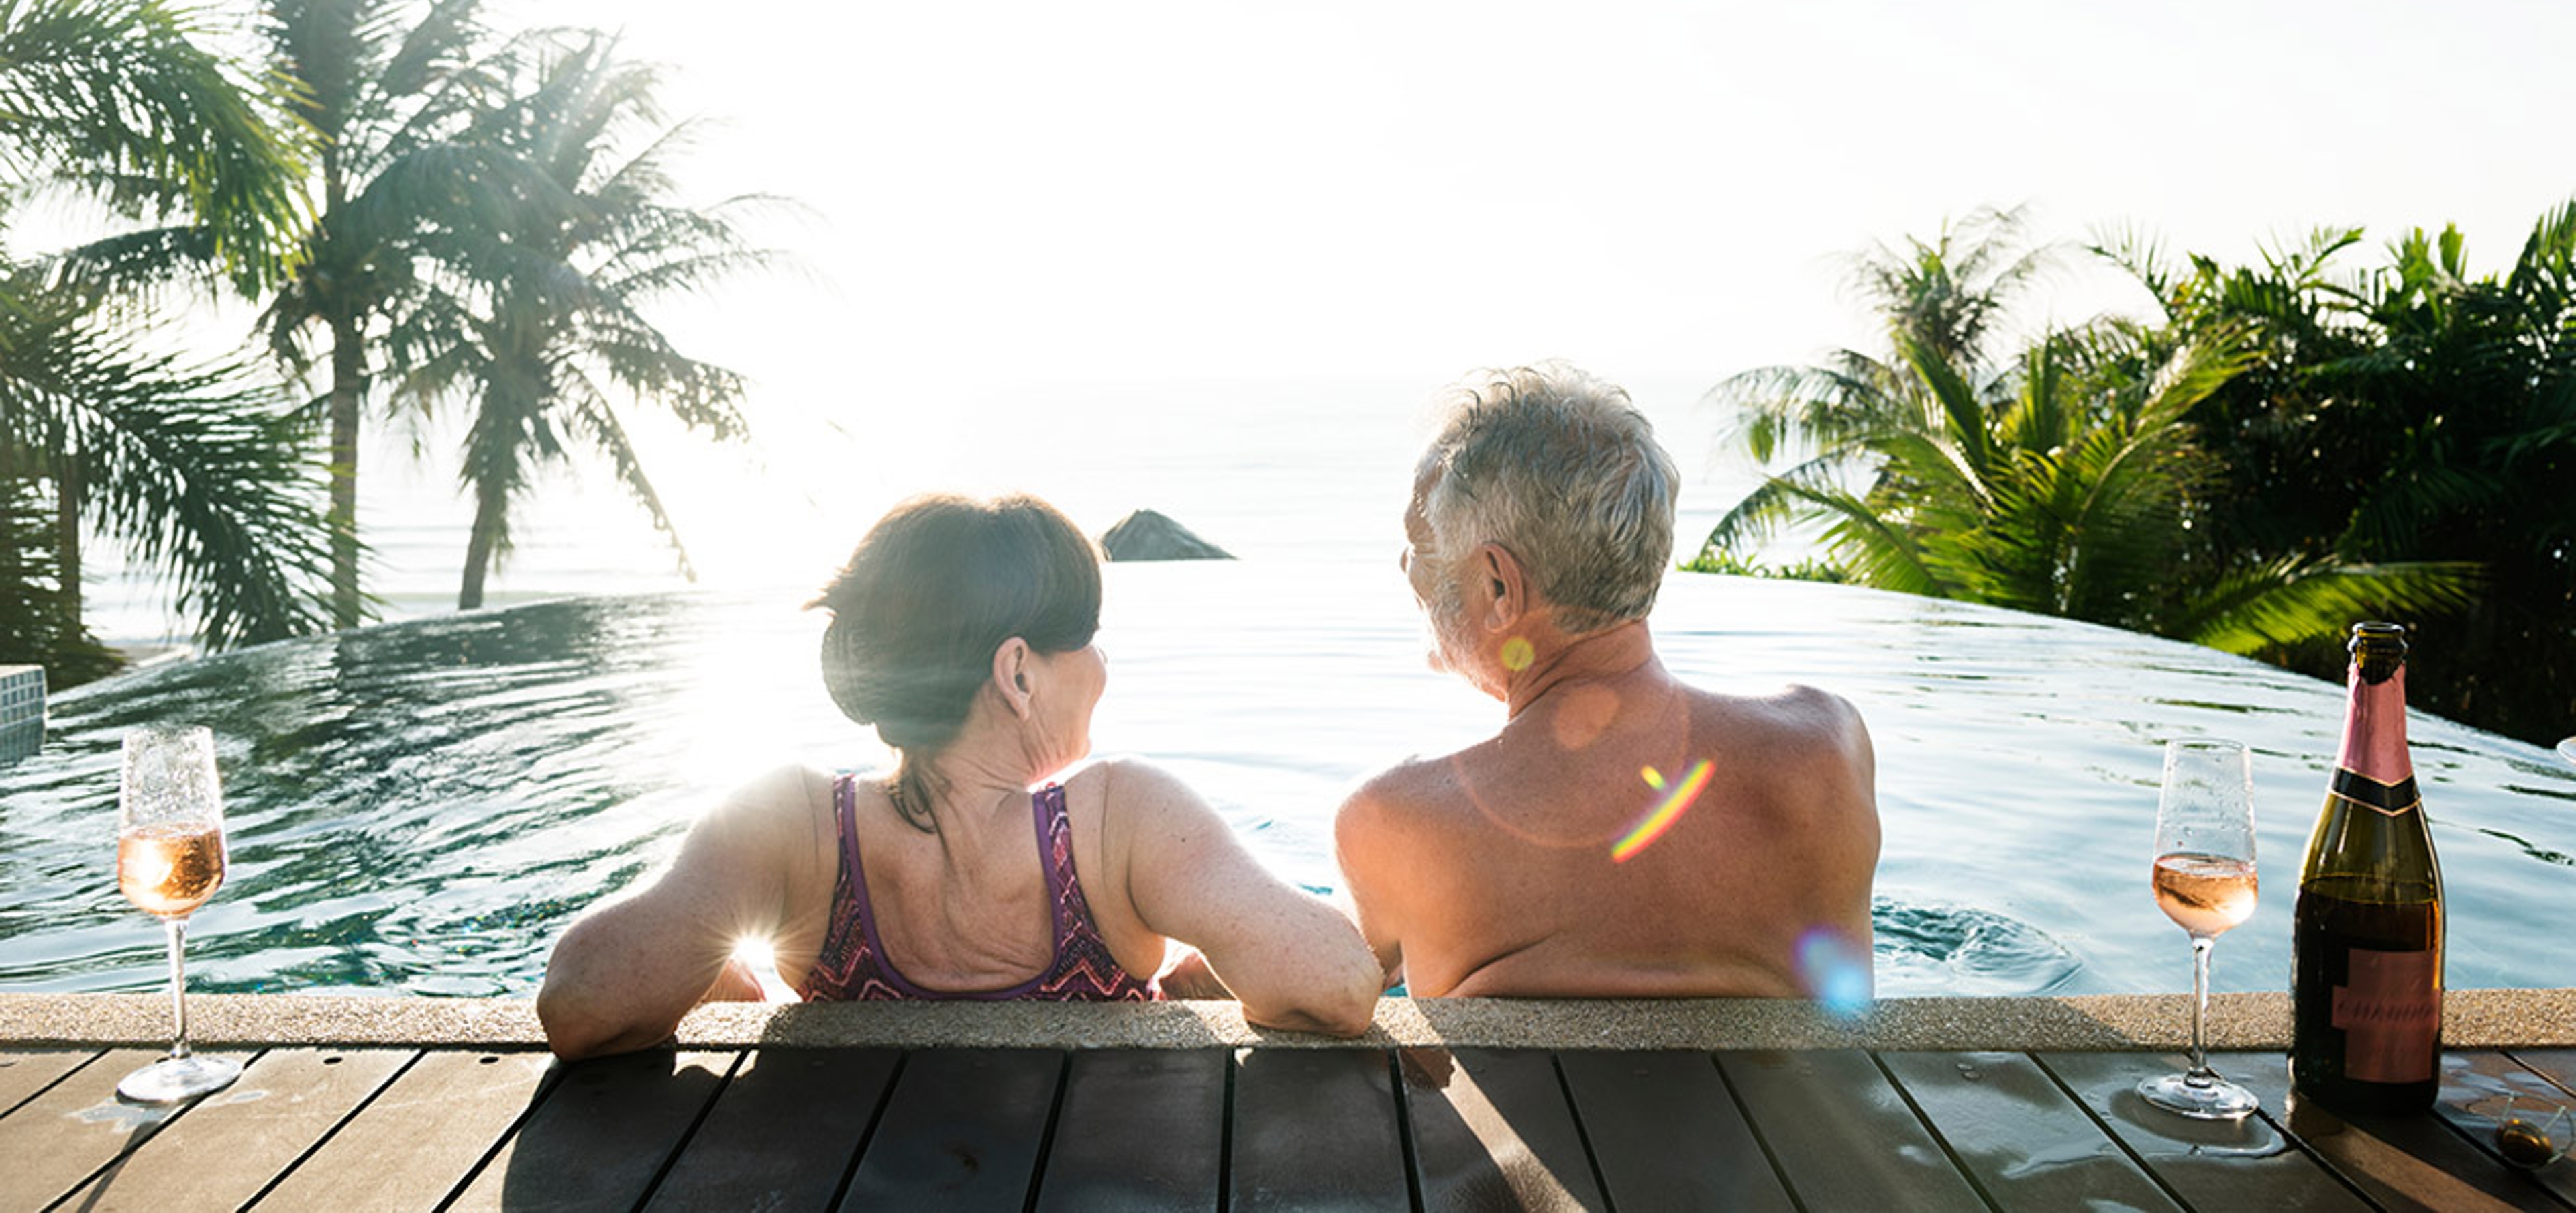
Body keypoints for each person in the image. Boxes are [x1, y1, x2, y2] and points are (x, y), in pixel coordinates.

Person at [539, 492, 1381, 1059]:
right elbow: (1339, 984)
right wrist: (1201, 969)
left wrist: (729, 991)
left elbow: (582, 1000)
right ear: (1018, 674)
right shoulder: (1121, 820)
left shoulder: (794, 827)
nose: (1101, 661)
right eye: (1085, 633)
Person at [1334, 364, 1880, 1000]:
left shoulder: (1398, 820)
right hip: (1799, 1102)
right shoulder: (1826, 750)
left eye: (1418, 546)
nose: (1408, 570)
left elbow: (1323, 982)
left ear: (1498, 587)